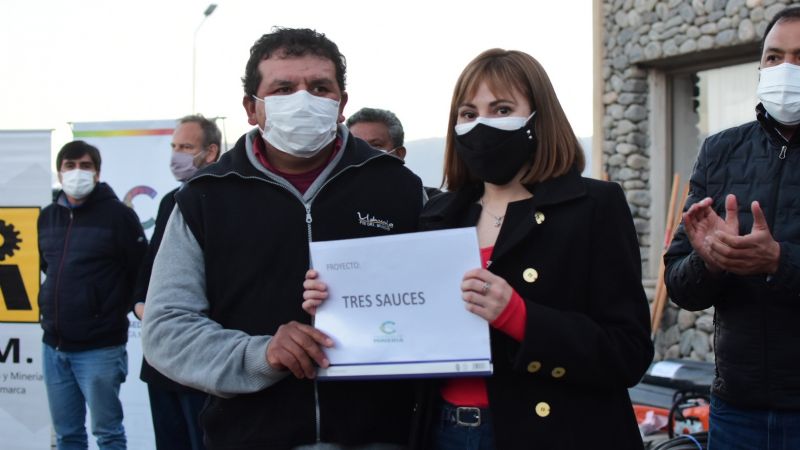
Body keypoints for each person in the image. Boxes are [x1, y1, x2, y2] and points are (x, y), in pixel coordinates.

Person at [304, 49, 654, 449]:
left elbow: (628, 352)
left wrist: (520, 317)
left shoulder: (592, 206)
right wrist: (340, 305)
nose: (482, 125)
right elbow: (407, 324)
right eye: (468, 114)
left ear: (539, 118)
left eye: (502, 109)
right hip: (444, 430)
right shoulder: (438, 215)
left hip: (554, 433)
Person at [141, 27, 424, 449]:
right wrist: (261, 355)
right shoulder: (204, 198)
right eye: (284, 89)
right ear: (251, 108)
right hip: (248, 436)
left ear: (341, 104)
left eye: (320, 88)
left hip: (380, 437)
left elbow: (436, 302)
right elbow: (166, 329)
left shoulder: (398, 187)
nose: (303, 100)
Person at [664, 7, 800, 449]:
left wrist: (779, 261)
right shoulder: (720, 151)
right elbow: (679, 285)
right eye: (774, 57)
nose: (785, 69)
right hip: (736, 409)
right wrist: (709, 261)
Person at [38, 140, 147, 450]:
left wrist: (116, 307)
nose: (77, 172)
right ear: (60, 172)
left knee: (108, 434)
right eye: (70, 166)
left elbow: (141, 270)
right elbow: (48, 266)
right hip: (54, 346)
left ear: (97, 173)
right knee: (67, 435)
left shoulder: (119, 216)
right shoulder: (48, 216)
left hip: (100, 348)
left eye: (85, 166)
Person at [132, 114, 221, 450]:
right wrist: (140, 303)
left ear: (210, 152)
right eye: (174, 146)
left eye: (186, 147)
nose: (176, 155)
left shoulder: (228, 199)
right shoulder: (170, 200)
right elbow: (150, 265)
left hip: (202, 356)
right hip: (160, 359)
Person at [347, 107, 442, 198]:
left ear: (399, 154)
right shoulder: (338, 198)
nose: (363, 151)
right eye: (356, 144)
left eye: (376, 145)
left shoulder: (429, 202)